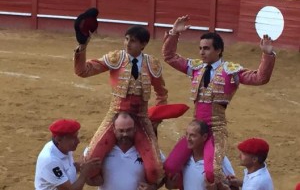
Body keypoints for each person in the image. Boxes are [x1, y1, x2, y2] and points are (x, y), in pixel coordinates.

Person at [162, 15, 276, 185]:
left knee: (213, 172)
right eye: (200, 48)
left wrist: (267, 54)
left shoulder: (231, 72)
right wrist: (174, 33)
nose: (202, 52)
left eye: (206, 48)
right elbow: (169, 56)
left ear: (219, 50)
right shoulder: (196, 68)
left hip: (215, 131)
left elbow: (260, 78)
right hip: (195, 129)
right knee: (170, 167)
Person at [74, 13, 168, 184]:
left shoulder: (152, 64)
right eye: (126, 39)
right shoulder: (116, 58)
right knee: (91, 163)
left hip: (141, 118)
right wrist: (82, 46)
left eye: (132, 41)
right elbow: (83, 71)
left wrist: (156, 119)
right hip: (115, 115)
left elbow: (161, 93)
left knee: (155, 171)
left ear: (143, 44)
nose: (127, 44)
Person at [86, 111, 160, 190]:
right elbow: (83, 169)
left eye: (129, 130)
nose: (125, 134)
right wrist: (90, 180)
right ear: (114, 129)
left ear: (135, 128)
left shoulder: (147, 149)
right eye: (121, 131)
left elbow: (163, 178)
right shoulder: (103, 148)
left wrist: (152, 188)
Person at [165, 120, 236, 190]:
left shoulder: (219, 159)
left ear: (204, 137)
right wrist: (171, 182)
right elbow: (169, 186)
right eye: (187, 134)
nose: (188, 139)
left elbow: (234, 186)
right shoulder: (183, 159)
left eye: (193, 135)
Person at [34, 119, 101, 190]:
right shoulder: (50, 160)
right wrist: (84, 173)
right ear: (59, 139)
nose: (78, 141)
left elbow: (66, 168)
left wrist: (80, 166)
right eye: (73, 138)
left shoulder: (63, 147)